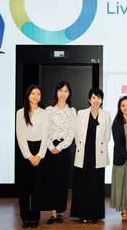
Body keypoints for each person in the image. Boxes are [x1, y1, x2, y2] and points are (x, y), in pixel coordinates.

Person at [70, 88, 111, 223]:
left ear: (102, 100)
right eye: (93, 97)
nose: (96, 100)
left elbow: (107, 137)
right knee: (82, 185)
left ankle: (95, 215)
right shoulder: (81, 113)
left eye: (99, 98)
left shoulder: (106, 115)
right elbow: (77, 134)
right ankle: (83, 214)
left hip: (98, 155)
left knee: (96, 186)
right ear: (89, 100)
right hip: (84, 154)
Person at [42, 81, 76, 224]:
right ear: (56, 92)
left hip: (64, 149)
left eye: (66, 91)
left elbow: (72, 133)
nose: (63, 93)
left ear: (69, 94)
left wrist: (60, 147)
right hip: (49, 149)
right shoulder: (48, 110)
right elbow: (44, 131)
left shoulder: (72, 111)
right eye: (60, 90)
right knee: (51, 181)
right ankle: (53, 213)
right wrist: (51, 146)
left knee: (62, 181)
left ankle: (60, 211)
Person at [15, 85, 49, 228]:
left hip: (39, 150)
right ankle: (25, 218)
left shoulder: (44, 113)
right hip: (25, 152)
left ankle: (35, 218)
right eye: (33, 93)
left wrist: (40, 155)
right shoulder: (20, 113)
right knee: (23, 189)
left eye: (38, 94)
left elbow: (46, 135)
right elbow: (20, 136)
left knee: (37, 189)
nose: (35, 96)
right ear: (28, 95)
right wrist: (29, 156)